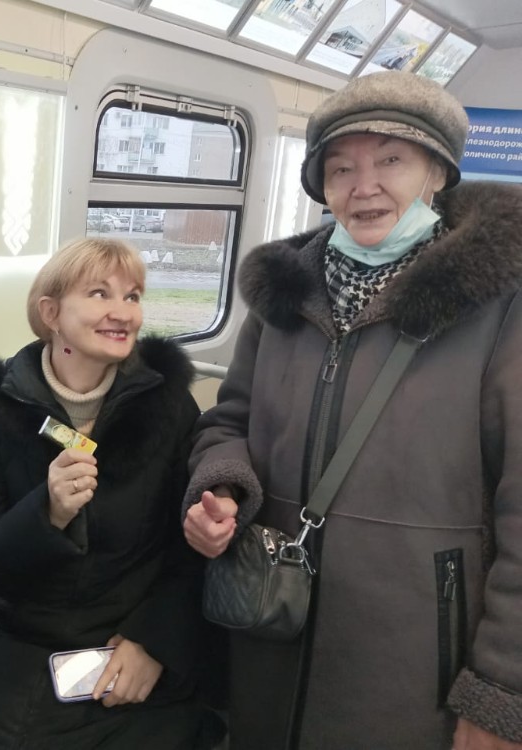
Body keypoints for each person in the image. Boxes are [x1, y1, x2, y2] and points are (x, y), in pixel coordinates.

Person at [182, 71, 522, 748]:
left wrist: (498, 697)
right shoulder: (283, 300)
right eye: (341, 169)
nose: (364, 187)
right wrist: (221, 487)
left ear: (436, 174)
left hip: (416, 668)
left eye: (391, 160)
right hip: (272, 638)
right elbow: (229, 423)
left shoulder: (500, 308)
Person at [0, 237, 220, 748]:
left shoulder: (167, 405)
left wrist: (153, 640)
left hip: (132, 631)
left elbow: (188, 549)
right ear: (51, 313)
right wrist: (47, 513)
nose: (123, 312)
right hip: (19, 640)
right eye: (99, 293)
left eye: (132, 296)